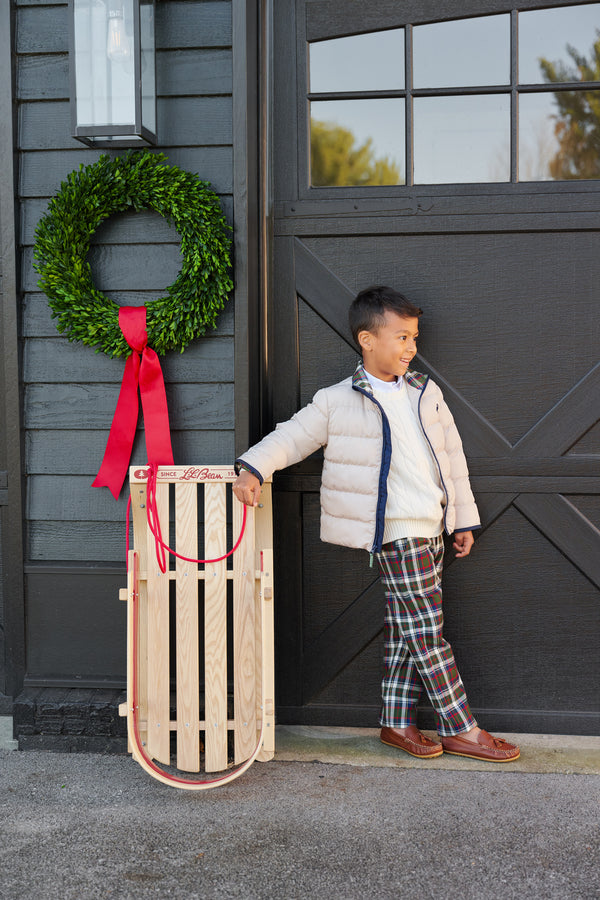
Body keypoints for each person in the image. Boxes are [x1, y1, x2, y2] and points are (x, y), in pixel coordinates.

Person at [233, 285, 520, 763]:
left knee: (408, 625)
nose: (411, 346)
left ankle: (395, 721)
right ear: (367, 340)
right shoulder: (337, 400)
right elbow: (291, 437)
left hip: (431, 527)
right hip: (394, 532)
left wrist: (462, 519)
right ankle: (460, 728)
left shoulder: (426, 393)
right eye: (401, 336)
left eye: (414, 337)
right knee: (427, 632)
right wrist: (253, 467)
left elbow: (453, 458)